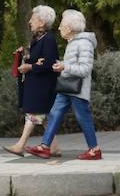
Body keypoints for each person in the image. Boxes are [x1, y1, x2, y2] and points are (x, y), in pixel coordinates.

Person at [27, 9, 100, 160]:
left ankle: (94, 149)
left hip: (77, 89)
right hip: (66, 86)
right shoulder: (72, 43)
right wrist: (61, 64)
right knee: (54, 114)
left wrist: (65, 67)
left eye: (62, 25)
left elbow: (86, 69)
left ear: (71, 27)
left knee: (83, 117)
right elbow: (72, 64)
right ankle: (45, 146)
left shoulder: (84, 44)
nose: (59, 27)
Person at [4, 5, 59, 155]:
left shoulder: (48, 40)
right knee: (44, 117)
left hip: (43, 86)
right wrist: (26, 57)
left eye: (33, 18)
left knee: (34, 115)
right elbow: (37, 60)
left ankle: (20, 145)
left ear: (41, 22)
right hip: (36, 84)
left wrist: (31, 67)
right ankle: (54, 147)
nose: (29, 21)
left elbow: (49, 64)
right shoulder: (38, 39)